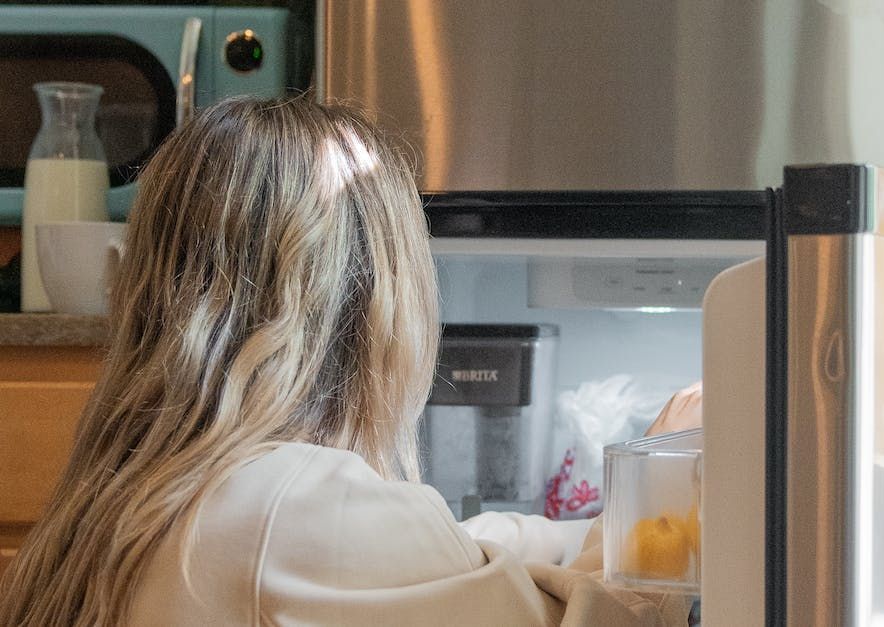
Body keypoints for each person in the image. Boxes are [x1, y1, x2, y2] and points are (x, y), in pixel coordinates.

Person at [0, 97, 700, 626]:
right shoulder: (292, 501)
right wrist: (670, 488)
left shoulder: (162, 493)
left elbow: (463, 546)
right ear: (376, 306)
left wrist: (617, 524)